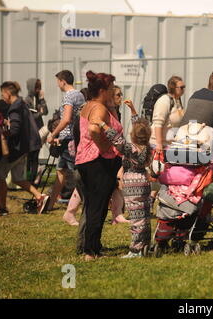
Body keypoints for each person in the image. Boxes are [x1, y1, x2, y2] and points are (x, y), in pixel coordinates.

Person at [75, 71, 122, 260]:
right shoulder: (99, 108)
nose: (112, 92)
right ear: (102, 90)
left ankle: (93, 246)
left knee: (94, 206)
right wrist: (104, 146)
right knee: (98, 207)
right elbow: (94, 128)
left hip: (86, 160)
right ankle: (90, 251)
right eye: (110, 89)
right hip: (98, 162)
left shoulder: (89, 105)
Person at [63, 87, 127, 226]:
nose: (120, 97)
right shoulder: (96, 111)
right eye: (116, 94)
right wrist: (104, 147)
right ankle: (71, 214)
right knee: (90, 198)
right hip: (91, 159)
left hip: (102, 157)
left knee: (108, 188)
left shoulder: (111, 111)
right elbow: (91, 131)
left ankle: (117, 213)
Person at [96, 100, 152, 258]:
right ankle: (146, 244)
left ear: (133, 136)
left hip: (132, 184)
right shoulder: (148, 147)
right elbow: (141, 128)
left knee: (135, 218)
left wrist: (102, 125)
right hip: (144, 181)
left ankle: (136, 250)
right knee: (145, 215)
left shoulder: (130, 148)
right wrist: (133, 111)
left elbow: (116, 139)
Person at [0, 81, 49, 215]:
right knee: (17, 178)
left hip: (17, 149)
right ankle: (40, 197)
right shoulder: (22, 103)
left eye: (2, 94)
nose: (2, 97)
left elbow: (14, 130)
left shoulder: (15, 107)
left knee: (0, 174)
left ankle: (2, 206)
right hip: (25, 148)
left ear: (7, 93)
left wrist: (2, 131)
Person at [46, 70, 85, 211]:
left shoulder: (69, 96)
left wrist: (53, 134)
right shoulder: (80, 95)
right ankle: (50, 204)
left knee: (77, 175)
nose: (58, 85)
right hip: (74, 137)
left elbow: (66, 119)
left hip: (68, 140)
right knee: (60, 172)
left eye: (58, 82)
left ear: (63, 81)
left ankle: (86, 203)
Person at [24, 78, 48, 185]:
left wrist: (42, 100)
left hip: (38, 130)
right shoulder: (27, 100)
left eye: (39, 87)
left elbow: (45, 111)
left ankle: (33, 179)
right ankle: (28, 178)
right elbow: (30, 117)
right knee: (30, 156)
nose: (38, 90)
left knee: (35, 155)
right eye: (36, 87)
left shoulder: (38, 99)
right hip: (30, 132)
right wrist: (39, 113)